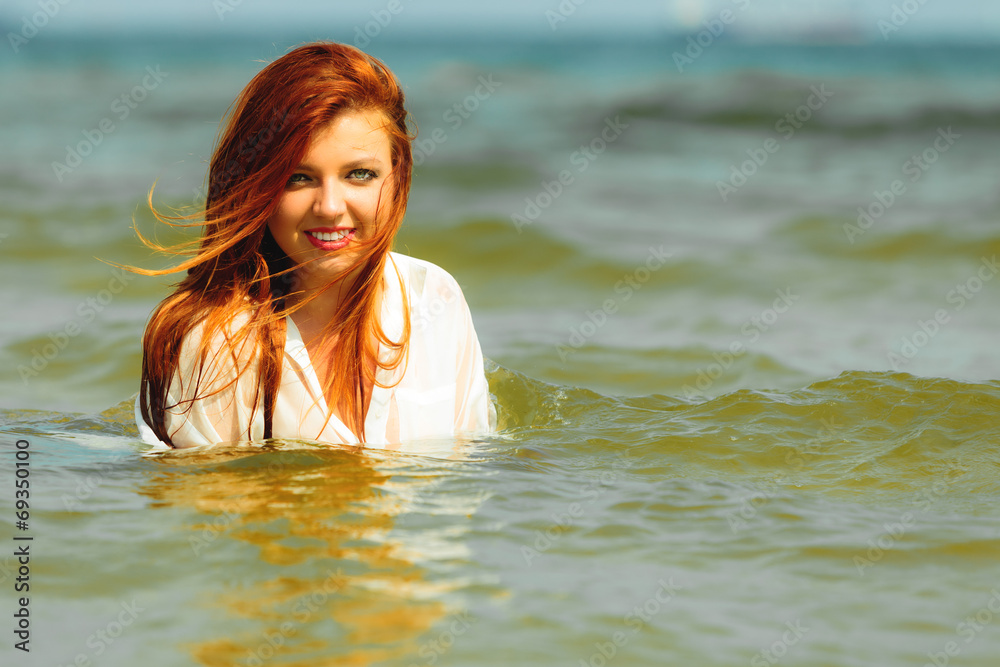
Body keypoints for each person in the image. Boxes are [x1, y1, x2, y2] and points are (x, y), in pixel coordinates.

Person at [132, 42, 495, 449]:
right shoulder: (216, 343)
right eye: (298, 178)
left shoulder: (434, 297)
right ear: (257, 187)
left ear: (398, 176)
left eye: (359, 174)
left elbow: (469, 476)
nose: (330, 207)